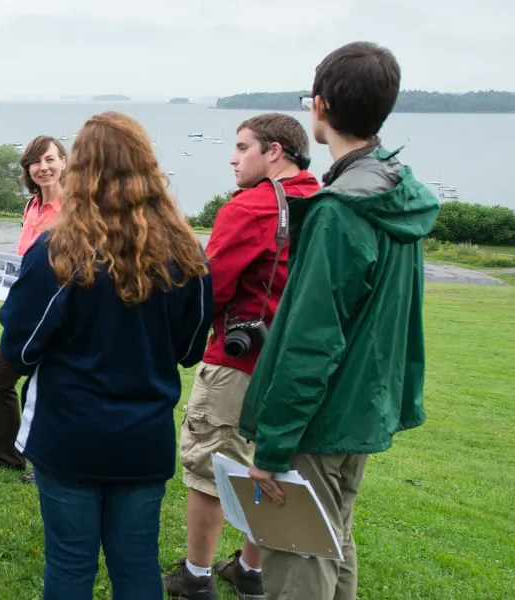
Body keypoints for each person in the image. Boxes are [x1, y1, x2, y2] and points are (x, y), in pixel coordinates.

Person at [240, 42, 439, 600]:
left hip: (319, 419)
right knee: (332, 541)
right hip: (360, 407)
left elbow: (311, 339)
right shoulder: (393, 191)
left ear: (321, 106)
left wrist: (274, 447)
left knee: (299, 555)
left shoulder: (339, 210)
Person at [0, 111, 212, 600]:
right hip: (142, 436)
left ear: (82, 171)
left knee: (71, 565)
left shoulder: (60, 249)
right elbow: (189, 348)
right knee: (135, 567)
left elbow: (20, 347)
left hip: (69, 433)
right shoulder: (185, 253)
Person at [164, 113, 321, 600]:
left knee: (212, 468)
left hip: (240, 359)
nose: (233, 158)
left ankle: (196, 573)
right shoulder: (324, 202)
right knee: (270, 466)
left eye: (242, 148)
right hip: (298, 365)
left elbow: (213, 286)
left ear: (274, 151)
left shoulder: (250, 207)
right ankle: (251, 569)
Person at [0, 135, 67, 484]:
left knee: (53, 391)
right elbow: (30, 258)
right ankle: (6, 457)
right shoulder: (32, 207)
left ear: (64, 163)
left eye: (50, 159)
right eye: (36, 162)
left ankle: (47, 468)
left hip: (61, 315)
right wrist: (2, 264)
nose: (43, 167)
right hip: (26, 314)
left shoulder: (77, 209)